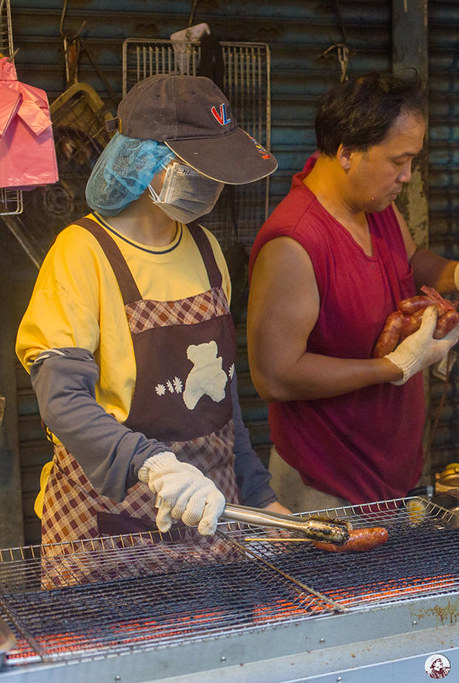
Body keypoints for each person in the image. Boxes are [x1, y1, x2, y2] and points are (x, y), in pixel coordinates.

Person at [16, 74, 289, 563]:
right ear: (149, 163)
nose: (217, 183)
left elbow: (223, 401)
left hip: (210, 521)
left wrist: (262, 495)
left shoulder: (207, 252)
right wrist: (154, 465)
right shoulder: (81, 253)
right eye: (201, 169)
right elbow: (60, 399)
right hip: (106, 531)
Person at [246, 72, 459, 511]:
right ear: (347, 153)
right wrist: (394, 366)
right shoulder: (294, 243)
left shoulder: (375, 205)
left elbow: (408, 256)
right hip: (324, 487)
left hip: (392, 474)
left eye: (412, 161)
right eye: (398, 161)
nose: (407, 176)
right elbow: (275, 377)